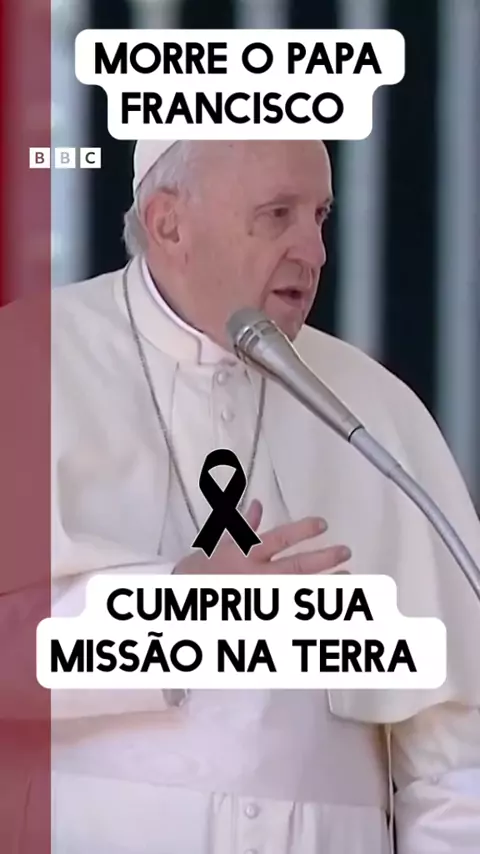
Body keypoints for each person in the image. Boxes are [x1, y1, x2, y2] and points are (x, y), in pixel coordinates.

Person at [51, 139, 480, 853]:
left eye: (320, 217)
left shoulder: (375, 407)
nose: (313, 252)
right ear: (168, 224)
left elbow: (455, 757)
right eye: (277, 215)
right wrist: (174, 607)